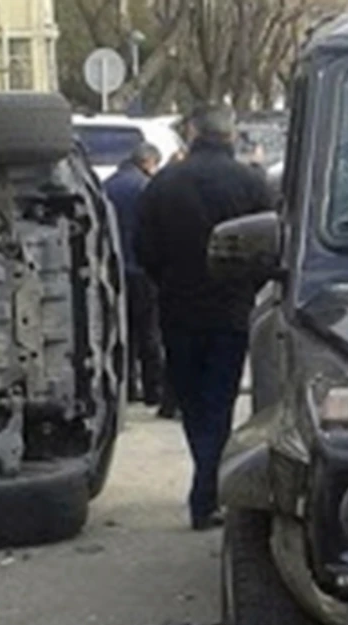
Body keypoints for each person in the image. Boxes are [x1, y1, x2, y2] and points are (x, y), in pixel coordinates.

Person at [136, 105, 273, 531]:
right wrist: (247, 289)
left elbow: (144, 250)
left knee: (195, 404)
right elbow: (271, 248)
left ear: (193, 133)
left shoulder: (163, 184)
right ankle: (207, 490)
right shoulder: (251, 183)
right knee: (219, 400)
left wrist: (169, 282)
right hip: (230, 309)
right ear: (231, 135)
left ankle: (205, 486)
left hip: (178, 309)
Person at [103, 142, 164, 406]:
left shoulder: (107, 186)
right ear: (148, 162)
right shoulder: (146, 187)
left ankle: (125, 389)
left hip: (114, 270)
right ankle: (152, 390)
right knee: (149, 332)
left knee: (122, 331)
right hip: (141, 269)